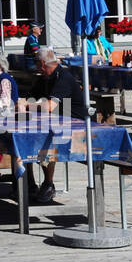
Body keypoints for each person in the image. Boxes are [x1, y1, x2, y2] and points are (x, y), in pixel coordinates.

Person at [18, 48, 89, 200]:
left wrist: (27, 106)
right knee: (24, 139)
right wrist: (21, 103)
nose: (36, 68)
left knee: (45, 141)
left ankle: (48, 184)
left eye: (37, 64)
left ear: (42, 63)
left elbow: (49, 106)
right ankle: (29, 182)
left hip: (76, 128)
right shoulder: (44, 78)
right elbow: (29, 97)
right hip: (55, 123)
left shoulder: (63, 78)